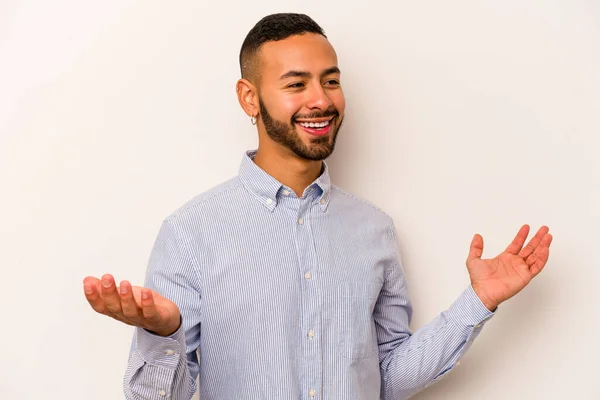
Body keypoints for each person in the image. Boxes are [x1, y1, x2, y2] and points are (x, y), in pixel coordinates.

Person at [83, 13, 553, 400]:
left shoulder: (375, 229)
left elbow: (385, 377)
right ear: (250, 97)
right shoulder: (191, 231)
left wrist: (478, 302)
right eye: (296, 84)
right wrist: (165, 335)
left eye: (330, 81)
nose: (321, 100)